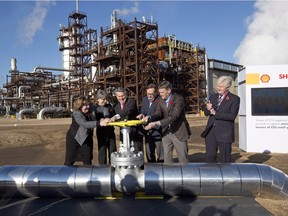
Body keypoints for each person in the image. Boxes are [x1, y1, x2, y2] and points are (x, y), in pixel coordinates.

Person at [143, 81, 191, 164]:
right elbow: (158, 112)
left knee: (183, 158)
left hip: (178, 132)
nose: (160, 94)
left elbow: (174, 116)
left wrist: (156, 123)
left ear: (169, 90)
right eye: (160, 92)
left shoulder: (178, 99)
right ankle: (169, 174)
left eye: (162, 92)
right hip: (166, 132)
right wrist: (150, 117)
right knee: (167, 159)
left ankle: (186, 175)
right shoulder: (161, 100)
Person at [201, 76, 240, 163]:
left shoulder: (234, 99)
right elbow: (207, 113)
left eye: (221, 86)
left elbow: (232, 116)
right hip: (211, 131)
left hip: (224, 132)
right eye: (218, 85)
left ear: (228, 87)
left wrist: (216, 113)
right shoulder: (213, 97)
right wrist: (208, 109)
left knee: (225, 159)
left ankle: (226, 175)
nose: (218, 88)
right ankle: (212, 174)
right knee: (210, 156)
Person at [65, 96, 110, 166]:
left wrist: (106, 117)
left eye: (88, 104)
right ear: (79, 106)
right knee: (69, 161)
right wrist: (99, 123)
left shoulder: (91, 108)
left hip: (87, 138)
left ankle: (89, 176)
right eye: (85, 105)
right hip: (74, 139)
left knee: (87, 161)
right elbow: (84, 124)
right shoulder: (76, 113)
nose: (88, 106)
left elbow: (104, 109)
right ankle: (64, 175)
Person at [137, 84, 164, 163]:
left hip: (158, 130)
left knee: (161, 153)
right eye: (148, 94)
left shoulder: (160, 100)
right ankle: (152, 170)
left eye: (151, 94)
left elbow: (159, 114)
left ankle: (160, 169)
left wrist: (149, 117)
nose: (149, 96)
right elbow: (143, 111)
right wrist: (142, 114)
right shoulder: (145, 99)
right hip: (148, 131)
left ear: (156, 93)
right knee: (149, 153)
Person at [113, 87, 143, 152]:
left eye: (123, 96)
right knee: (123, 152)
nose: (121, 98)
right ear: (116, 96)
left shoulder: (131, 102)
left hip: (134, 132)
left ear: (126, 95)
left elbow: (127, 111)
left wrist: (116, 117)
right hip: (123, 132)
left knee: (136, 153)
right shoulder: (115, 105)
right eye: (119, 96)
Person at [93, 90, 117, 164]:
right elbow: (94, 119)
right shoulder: (94, 108)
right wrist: (100, 119)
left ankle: (113, 168)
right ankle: (102, 170)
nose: (105, 101)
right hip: (101, 133)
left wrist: (113, 118)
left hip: (110, 132)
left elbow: (114, 115)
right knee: (102, 152)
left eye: (105, 99)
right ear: (98, 99)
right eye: (103, 99)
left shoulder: (109, 106)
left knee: (113, 152)